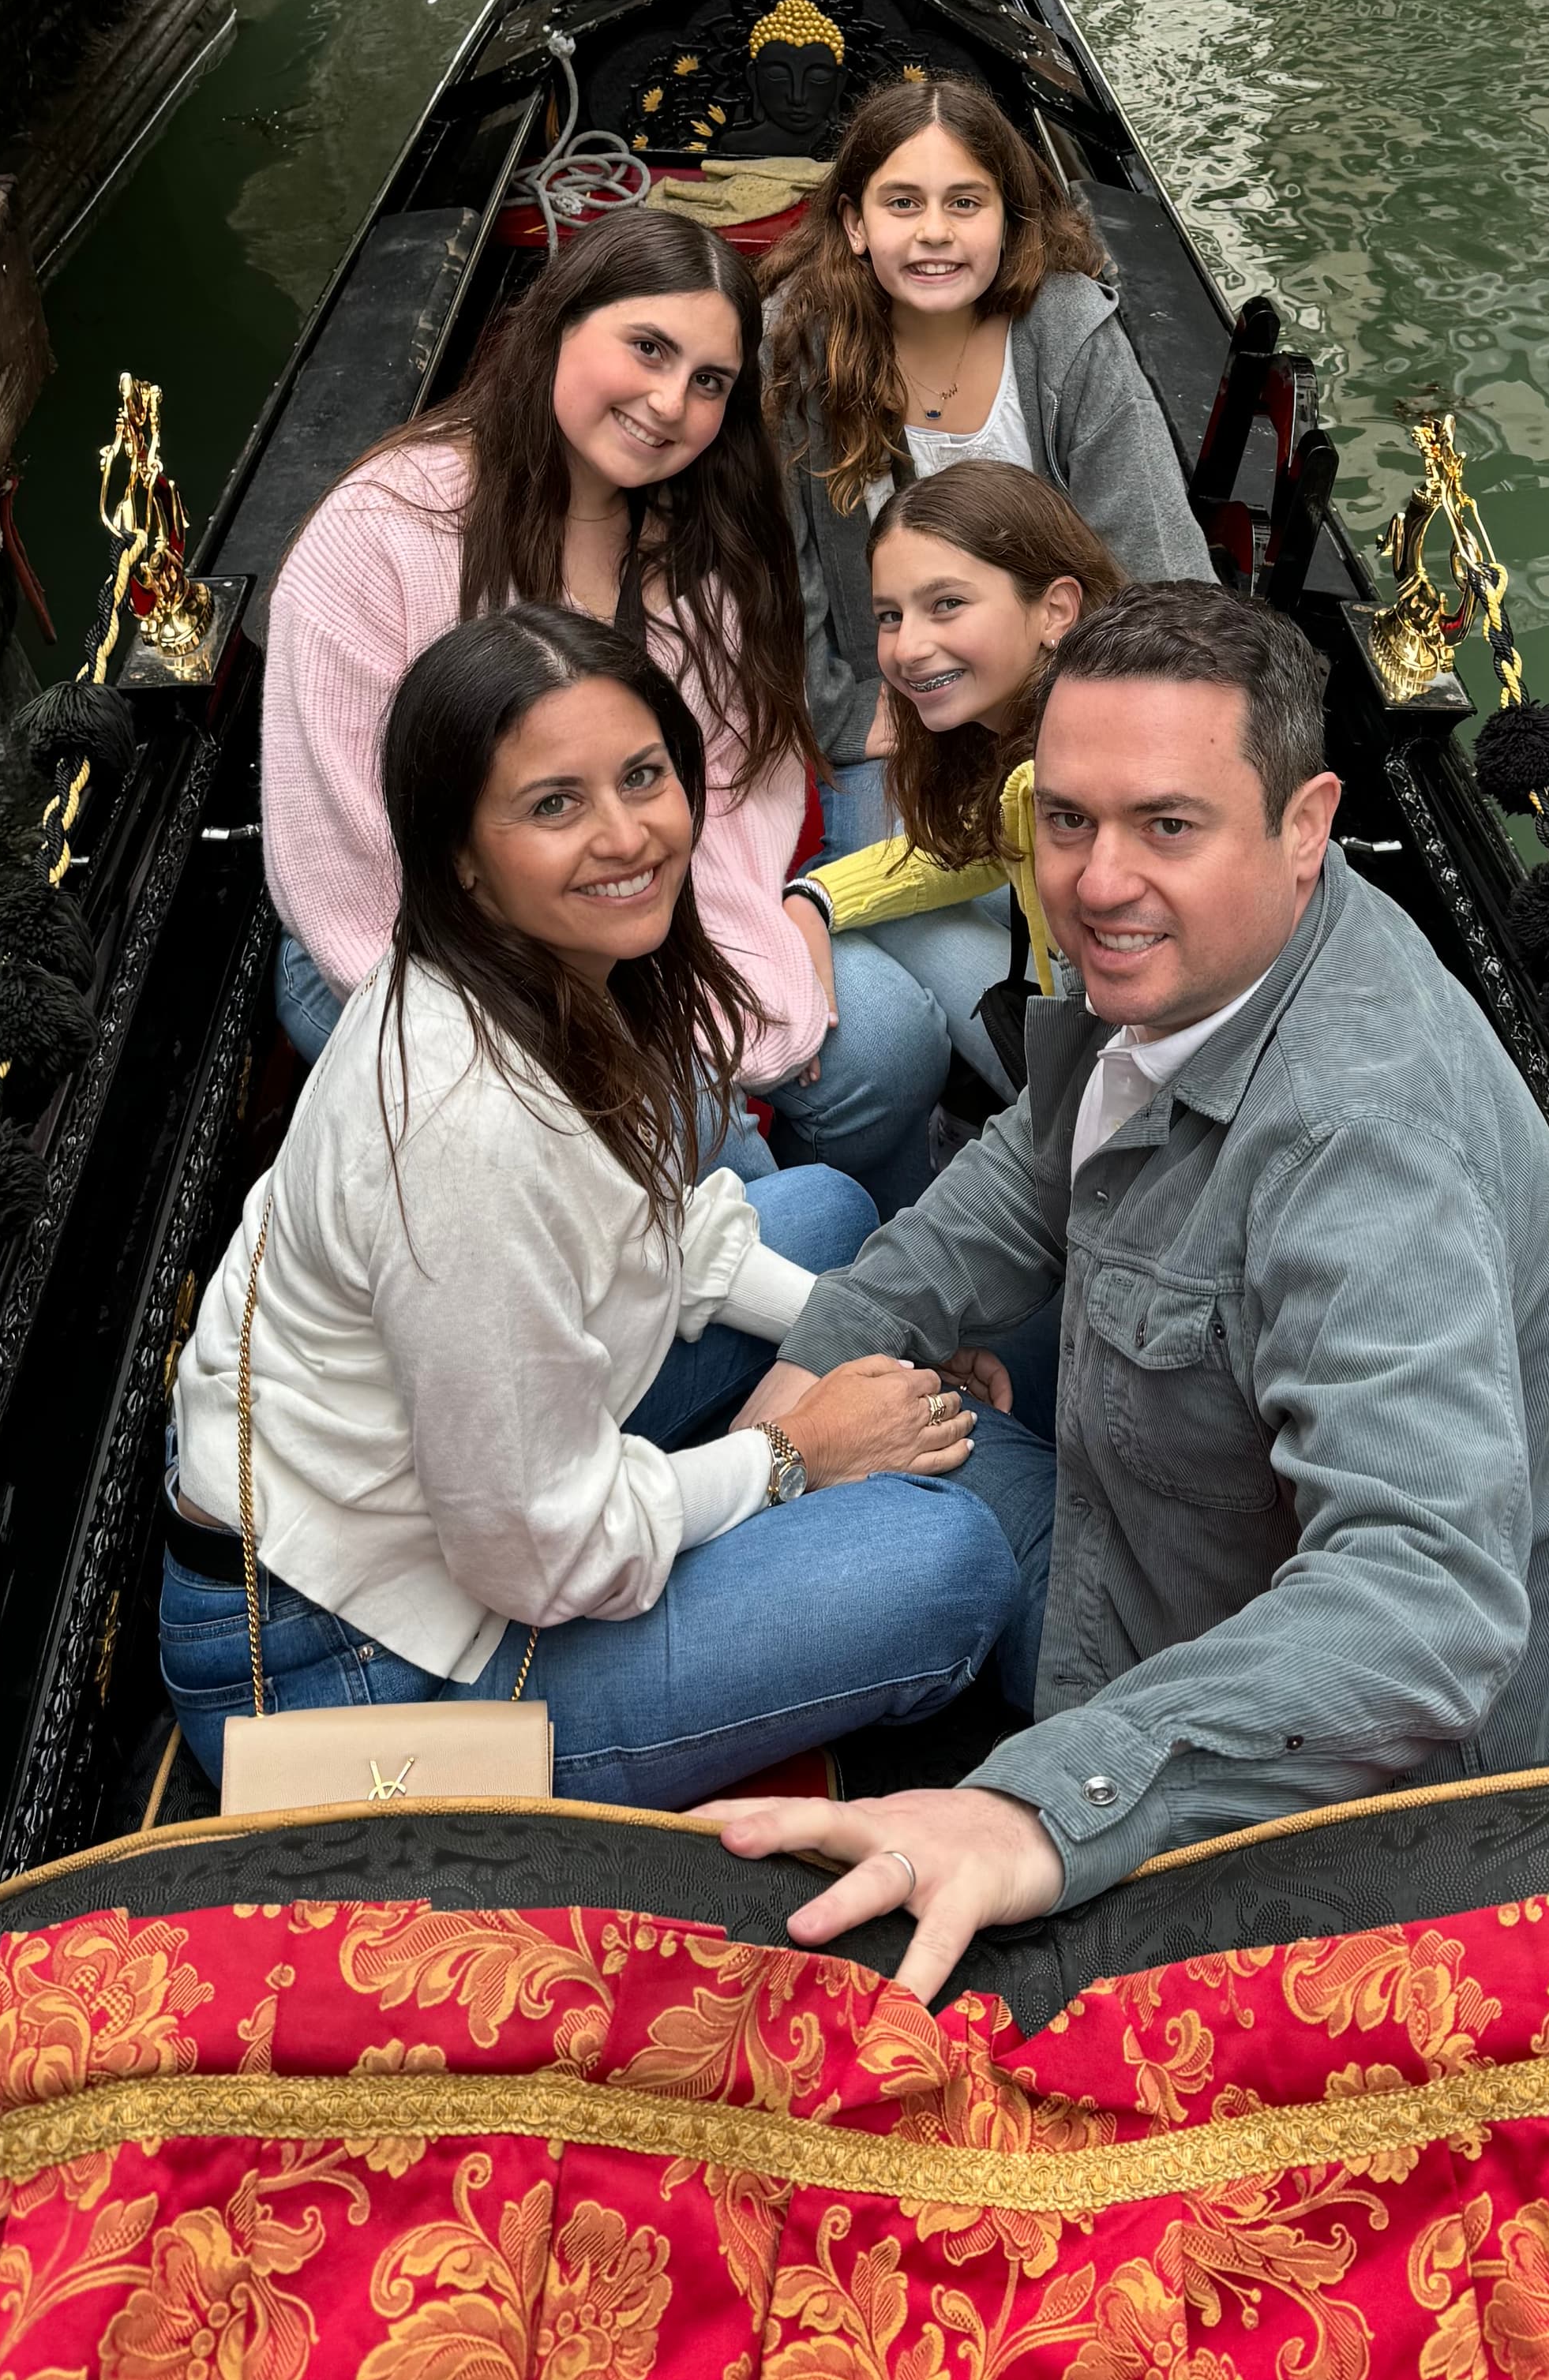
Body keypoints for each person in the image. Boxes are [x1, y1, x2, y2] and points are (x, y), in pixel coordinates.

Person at [699, 583, 1549, 1996]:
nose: (1094, 881)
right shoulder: (1190, 953)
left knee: (891, 1548)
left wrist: (1032, 1808)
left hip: (1327, 1754)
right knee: (826, 1357)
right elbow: (1032, 1171)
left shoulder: (1359, 1141)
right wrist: (807, 1391)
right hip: (1182, 1525)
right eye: (1071, 819)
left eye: (1166, 825)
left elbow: (1426, 1596)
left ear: (1306, 825)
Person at [163, 606, 1018, 1800]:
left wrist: (878, 1328)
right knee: (946, 1567)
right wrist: (790, 1458)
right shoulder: (464, 1137)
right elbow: (536, 1554)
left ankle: (698, 1493)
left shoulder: (543, 972)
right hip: (348, 1662)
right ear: (461, 849)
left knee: (819, 1213)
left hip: (411, 1507)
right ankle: (722, 1501)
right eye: (555, 805)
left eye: (642, 778)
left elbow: (666, 1230)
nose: (627, 837)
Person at [261, 201, 952, 1204]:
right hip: (409, 952)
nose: (672, 403)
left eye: (709, 381)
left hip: (633, 905)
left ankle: (884, 1272)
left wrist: (746, 959)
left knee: (887, 1047)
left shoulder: (694, 545)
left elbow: (717, 783)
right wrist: (613, 1021)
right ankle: (781, 1294)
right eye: (647, 347)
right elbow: (352, 862)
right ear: (559, 321)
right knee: (690, 1123)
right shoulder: (380, 534)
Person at [761, 74, 1210, 849]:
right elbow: (771, 565)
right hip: (901, 700)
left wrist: (1094, 717)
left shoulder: (1069, 335)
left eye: (965, 203)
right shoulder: (799, 347)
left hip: (1066, 688)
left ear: (1008, 219)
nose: (934, 231)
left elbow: (1159, 561)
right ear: (855, 223)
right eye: (903, 203)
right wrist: (833, 707)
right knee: (897, 921)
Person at [812, 460, 1122, 1091]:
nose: (906, 649)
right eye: (890, 616)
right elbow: (972, 844)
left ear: (1055, 611)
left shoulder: (1072, 778)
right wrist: (815, 898)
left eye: (946, 604)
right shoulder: (1038, 746)